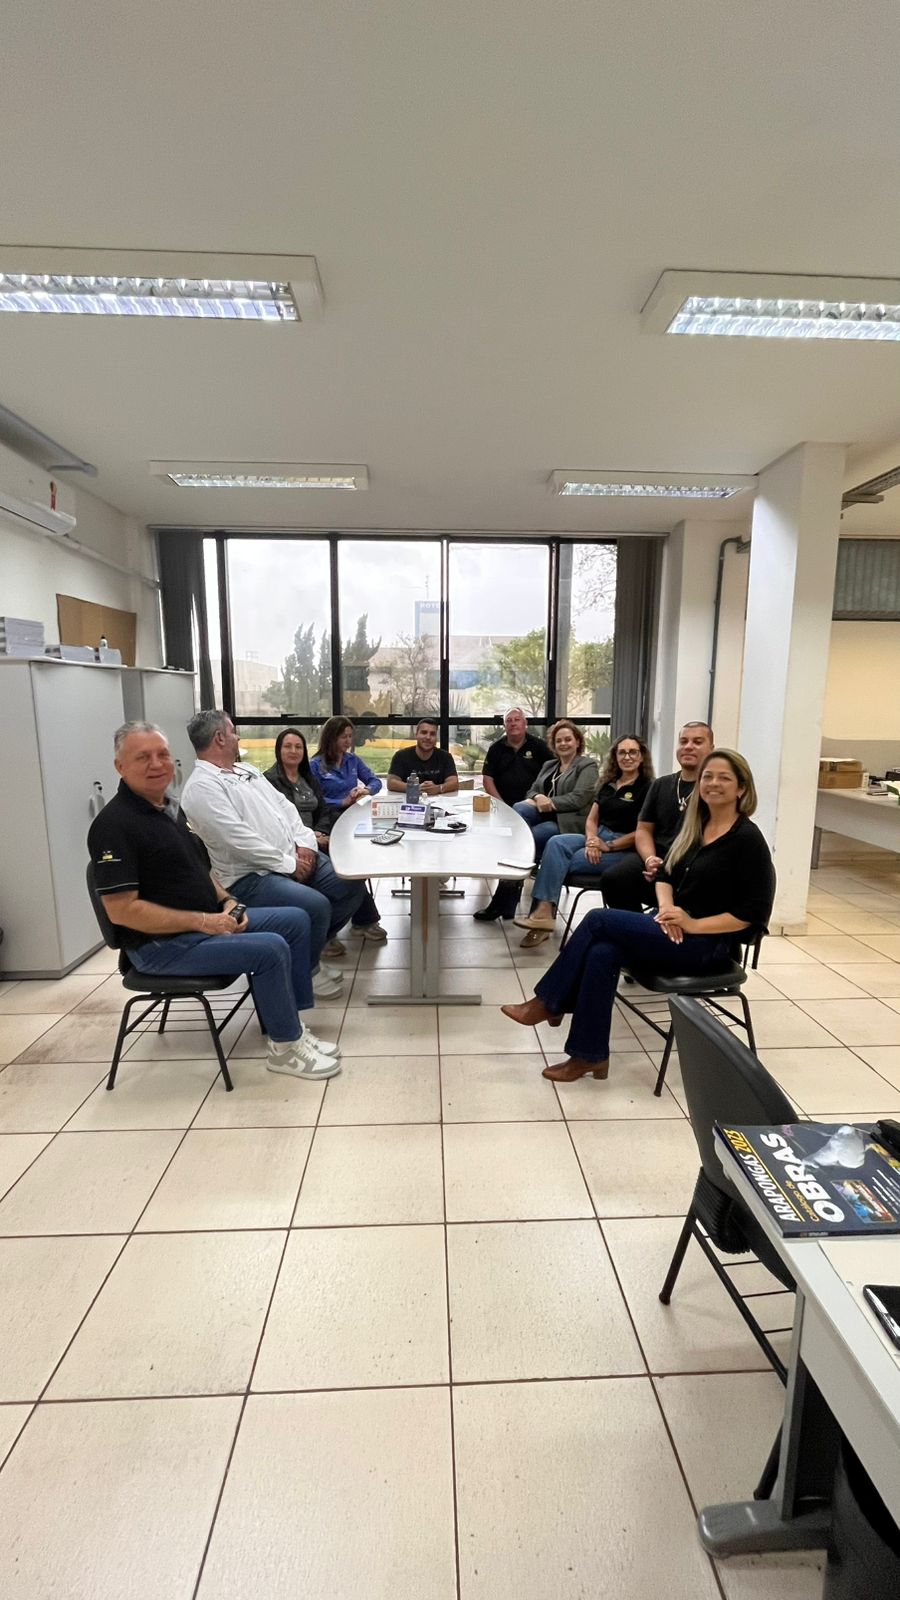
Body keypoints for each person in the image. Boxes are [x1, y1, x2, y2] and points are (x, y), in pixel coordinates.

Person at [87, 721, 340, 1082]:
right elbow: (122, 910)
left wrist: (227, 901)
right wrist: (205, 922)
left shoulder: (167, 809)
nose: (157, 764)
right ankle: (285, 1049)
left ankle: (289, 1026)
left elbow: (199, 870)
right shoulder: (114, 825)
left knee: (296, 920)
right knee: (270, 949)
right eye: (143, 757)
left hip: (202, 923)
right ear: (120, 766)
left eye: (162, 755)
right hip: (162, 946)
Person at [501, 748, 773, 1083]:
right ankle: (589, 1056)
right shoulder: (695, 827)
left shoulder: (747, 840)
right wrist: (667, 908)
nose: (713, 783)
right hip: (671, 927)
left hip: (708, 944)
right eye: (708, 776)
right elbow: (664, 874)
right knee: (602, 952)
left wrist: (692, 923)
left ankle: (550, 1001)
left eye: (724, 778)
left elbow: (753, 914)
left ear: (742, 788)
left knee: (599, 919)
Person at [181, 713, 387, 985]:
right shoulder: (201, 788)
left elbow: (285, 808)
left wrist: (306, 845)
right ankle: (306, 972)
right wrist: (290, 864)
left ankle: (306, 952)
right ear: (219, 738)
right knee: (317, 906)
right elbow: (238, 840)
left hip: (296, 854)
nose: (237, 736)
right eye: (232, 731)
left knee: (350, 883)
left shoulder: (246, 770)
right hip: (253, 876)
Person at [514, 734, 654, 946]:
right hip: (597, 835)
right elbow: (592, 819)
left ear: (642, 756)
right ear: (615, 757)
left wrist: (608, 846)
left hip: (624, 847)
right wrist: (592, 841)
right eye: (622, 752)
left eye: (633, 752)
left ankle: (542, 919)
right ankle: (543, 912)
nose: (627, 757)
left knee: (559, 862)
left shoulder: (649, 788)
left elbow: (644, 831)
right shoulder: (608, 783)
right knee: (556, 842)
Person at [265, 727, 381, 956]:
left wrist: (319, 832)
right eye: (288, 746)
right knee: (345, 872)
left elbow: (323, 810)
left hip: (320, 835)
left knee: (353, 875)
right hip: (292, 846)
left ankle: (327, 932)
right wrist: (313, 838)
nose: (293, 751)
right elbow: (275, 821)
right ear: (278, 750)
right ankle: (337, 929)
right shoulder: (269, 782)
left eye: (298, 747)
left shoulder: (307, 776)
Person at [599, 721, 715, 913]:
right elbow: (643, 830)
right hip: (657, 858)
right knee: (614, 879)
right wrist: (650, 859)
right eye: (683, 741)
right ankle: (637, 927)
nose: (688, 746)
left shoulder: (713, 789)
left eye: (697, 742)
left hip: (691, 865)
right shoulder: (661, 785)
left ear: (711, 749)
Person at [474, 708, 553, 921]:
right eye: (509, 720)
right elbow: (487, 779)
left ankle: (505, 903)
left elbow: (549, 780)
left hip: (536, 812)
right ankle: (509, 903)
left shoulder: (540, 747)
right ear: (504, 725)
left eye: (517, 719)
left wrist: (538, 800)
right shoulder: (496, 748)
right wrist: (503, 806)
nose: (513, 723)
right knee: (513, 848)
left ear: (525, 724)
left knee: (517, 848)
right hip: (504, 810)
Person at [513, 719, 598, 862]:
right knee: (519, 807)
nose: (563, 744)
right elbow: (532, 791)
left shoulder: (587, 765)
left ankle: (522, 865)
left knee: (532, 836)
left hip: (566, 821)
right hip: (543, 814)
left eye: (568, 739)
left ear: (577, 742)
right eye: (558, 741)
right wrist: (538, 797)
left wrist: (549, 802)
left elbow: (579, 798)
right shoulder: (549, 765)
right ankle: (520, 861)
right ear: (554, 745)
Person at [386, 718, 459, 796]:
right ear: (416, 735)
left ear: (436, 738)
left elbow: (454, 782)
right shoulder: (401, 756)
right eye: (424, 732)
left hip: (438, 801)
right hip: (409, 800)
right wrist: (415, 788)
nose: (428, 737)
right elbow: (391, 783)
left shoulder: (445, 757)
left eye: (432, 734)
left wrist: (438, 788)